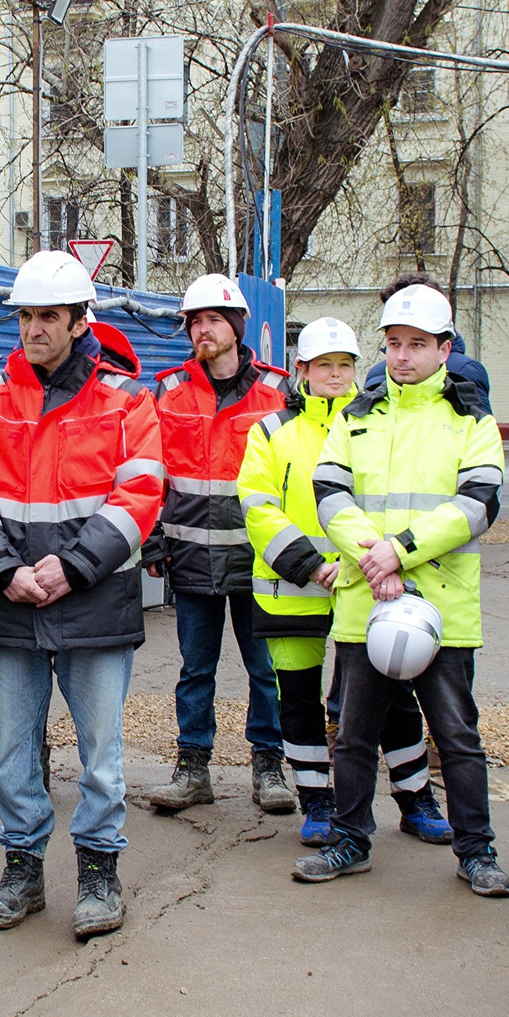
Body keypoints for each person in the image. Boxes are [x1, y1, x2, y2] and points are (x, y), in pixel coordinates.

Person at [0, 252, 164, 938]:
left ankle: (99, 869)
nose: (34, 327)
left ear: (78, 321)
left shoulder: (126, 400)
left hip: (92, 600)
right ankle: (23, 867)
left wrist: (69, 569)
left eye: (48, 316)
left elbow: (141, 494)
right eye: (27, 315)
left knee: (101, 752)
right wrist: (5, 569)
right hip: (13, 598)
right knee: (15, 751)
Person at [288, 282, 509, 894]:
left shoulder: (470, 418)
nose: (402, 356)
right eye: (393, 344)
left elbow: (478, 504)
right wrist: (376, 556)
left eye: (417, 344)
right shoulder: (357, 417)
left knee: (458, 737)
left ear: (445, 348)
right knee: (354, 734)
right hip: (368, 601)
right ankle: (350, 839)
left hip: (441, 607)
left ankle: (477, 851)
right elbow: (329, 494)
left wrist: (398, 552)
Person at [238, 317, 449, 847]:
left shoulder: (376, 422)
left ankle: (415, 798)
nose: (336, 374)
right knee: (300, 701)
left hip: (364, 583)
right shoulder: (270, 431)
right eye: (324, 365)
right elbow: (259, 508)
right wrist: (311, 564)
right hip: (294, 587)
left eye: (345, 364)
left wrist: (357, 564)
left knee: (393, 696)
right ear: (301, 370)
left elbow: (388, 499)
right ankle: (317, 802)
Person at [147, 273, 295, 817]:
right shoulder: (169, 392)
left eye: (212, 320)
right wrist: (154, 541)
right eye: (194, 322)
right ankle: (193, 768)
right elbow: (150, 474)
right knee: (196, 669)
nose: (202, 331)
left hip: (261, 559)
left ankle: (269, 764)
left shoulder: (278, 393)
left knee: (265, 668)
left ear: (236, 327)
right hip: (190, 557)